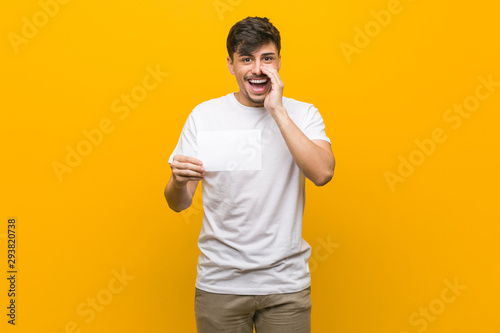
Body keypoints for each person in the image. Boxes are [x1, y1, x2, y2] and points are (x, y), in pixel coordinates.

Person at [164, 16, 335, 333]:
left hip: (286, 286)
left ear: (279, 61)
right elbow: (179, 202)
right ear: (231, 65)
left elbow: (323, 173)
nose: (257, 69)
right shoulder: (204, 116)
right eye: (247, 59)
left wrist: (277, 110)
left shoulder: (304, 114)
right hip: (220, 285)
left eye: (266, 58)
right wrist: (176, 181)